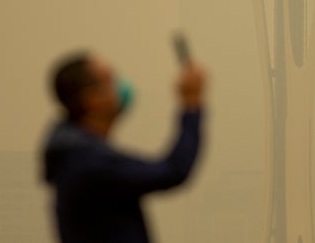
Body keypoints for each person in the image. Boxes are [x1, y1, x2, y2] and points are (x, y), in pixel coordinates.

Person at [41, 51, 206, 243]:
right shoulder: (89, 162)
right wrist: (191, 103)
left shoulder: (76, 154)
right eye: (110, 79)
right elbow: (173, 170)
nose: (121, 84)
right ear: (92, 99)